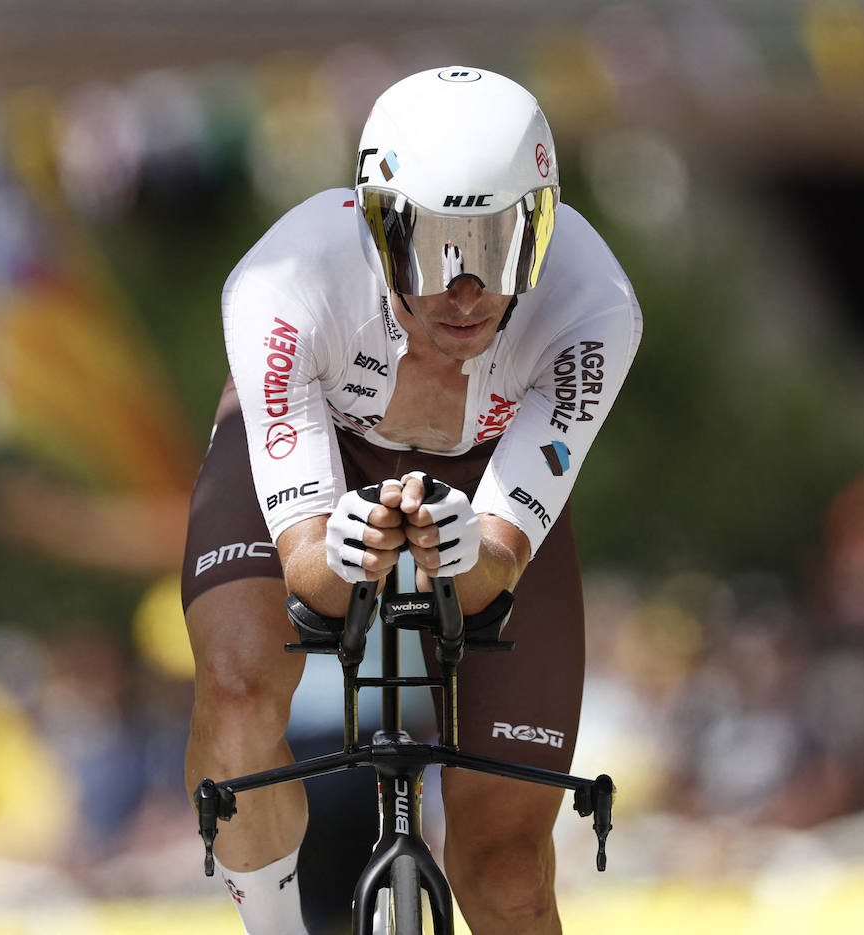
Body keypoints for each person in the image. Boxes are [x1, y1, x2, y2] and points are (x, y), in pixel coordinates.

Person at [181, 66, 642, 935]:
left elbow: (500, 561)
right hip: (321, 452)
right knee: (239, 688)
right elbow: (310, 574)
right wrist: (338, 551)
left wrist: (473, 552)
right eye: (435, 249)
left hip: (484, 481)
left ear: (544, 228)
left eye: (500, 246)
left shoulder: (595, 305)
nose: (466, 290)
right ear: (374, 228)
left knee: (507, 867)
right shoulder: (281, 282)